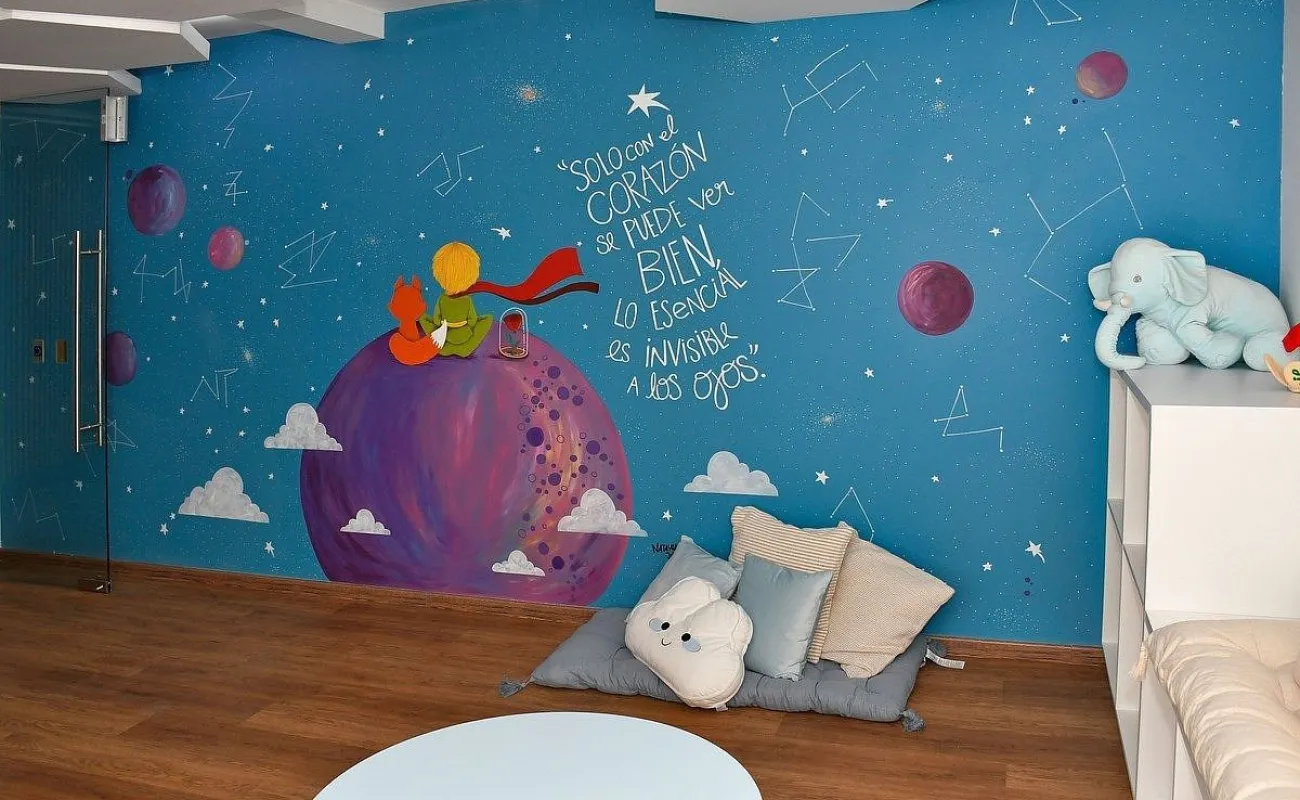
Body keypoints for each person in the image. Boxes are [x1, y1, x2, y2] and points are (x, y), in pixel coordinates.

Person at [419, 242, 494, 358]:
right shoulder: (467, 300)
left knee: (423, 318)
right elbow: (473, 320)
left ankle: (444, 348)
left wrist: (442, 324)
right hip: (465, 336)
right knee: (487, 319)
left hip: (445, 337)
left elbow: (437, 320)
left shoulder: (442, 299)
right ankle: (465, 348)